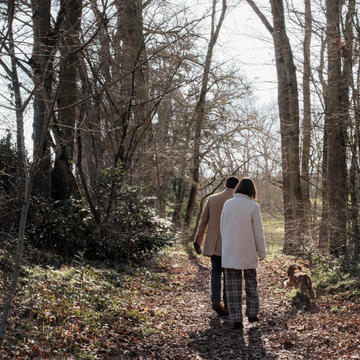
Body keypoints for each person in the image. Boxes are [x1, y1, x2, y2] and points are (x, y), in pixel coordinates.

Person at [220, 177, 266, 329]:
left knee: (232, 288)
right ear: (252, 190)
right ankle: (252, 314)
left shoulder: (228, 204)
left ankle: (236, 319)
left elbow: (222, 227)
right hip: (248, 251)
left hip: (230, 250)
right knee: (251, 284)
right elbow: (258, 232)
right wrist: (262, 252)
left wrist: (226, 243)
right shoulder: (253, 206)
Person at [194, 176, 240, 316]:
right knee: (228, 273)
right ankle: (227, 304)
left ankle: (215, 299)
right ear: (236, 187)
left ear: (225, 185)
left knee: (215, 271)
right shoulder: (237, 201)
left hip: (213, 243)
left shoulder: (212, 199)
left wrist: (198, 241)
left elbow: (203, 222)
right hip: (230, 243)